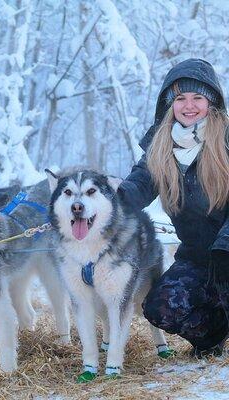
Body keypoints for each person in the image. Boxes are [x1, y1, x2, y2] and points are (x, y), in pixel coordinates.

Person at [118, 58, 229, 357]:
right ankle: (215, 333)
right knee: (160, 308)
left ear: (212, 102)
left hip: (227, 252)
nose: (188, 105)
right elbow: (141, 182)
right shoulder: (161, 143)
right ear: (170, 103)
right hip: (197, 258)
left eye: (197, 98)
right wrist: (113, 199)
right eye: (180, 98)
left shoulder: (226, 139)